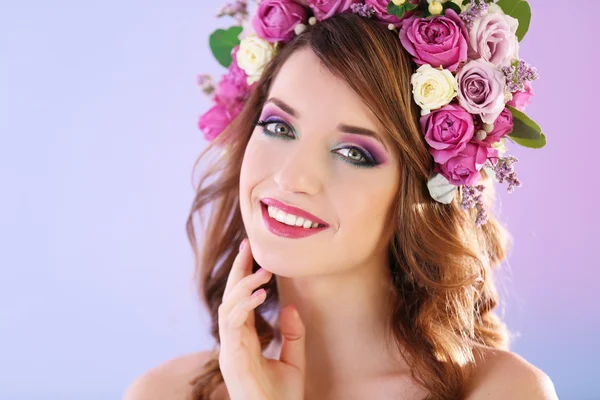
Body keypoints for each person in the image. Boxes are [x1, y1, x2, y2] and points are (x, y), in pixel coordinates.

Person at [124, 5, 558, 400]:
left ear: (417, 192)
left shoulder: (500, 391)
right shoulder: (161, 393)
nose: (292, 177)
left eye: (353, 153)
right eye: (278, 126)